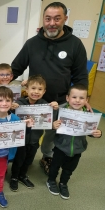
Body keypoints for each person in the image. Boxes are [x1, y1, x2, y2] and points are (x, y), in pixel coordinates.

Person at [11, 2, 89, 175]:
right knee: (32, 132)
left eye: (57, 18)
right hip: (35, 102)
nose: (52, 23)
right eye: (48, 18)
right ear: (43, 20)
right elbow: (16, 68)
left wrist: (84, 99)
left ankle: (47, 156)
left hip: (60, 101)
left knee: (54, 134)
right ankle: (23, 157)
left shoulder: (75, 45)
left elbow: (80, 76)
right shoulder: (32, 43)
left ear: (65, 19)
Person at [46, 84, 102, 200]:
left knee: (69, 169)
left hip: (77, 148)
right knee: (55, 166)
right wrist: (53, 125)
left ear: (86, 100)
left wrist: (97, 133)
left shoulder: (88, 115)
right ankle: (51, 181)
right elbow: (50, 124)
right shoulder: (61, 111)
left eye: (81, 98)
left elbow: (90, 131)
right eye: (74, 97)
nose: (77, 100)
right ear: (67, 98)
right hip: (60, 146)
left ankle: (63, 184)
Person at [10, 75, 58, 191]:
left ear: (44, 91)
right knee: (18, 159)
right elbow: (9, 120)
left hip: (35, 139)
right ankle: (14, 177)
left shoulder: (46, 105)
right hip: (20, 140)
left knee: (28, 160)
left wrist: (55, 109)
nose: (36, 92)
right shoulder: (19, 103)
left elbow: (50, 122)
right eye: (33, 88)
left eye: (40, 89)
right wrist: (11, 108)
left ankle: (22, 175)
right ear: (26, 89)